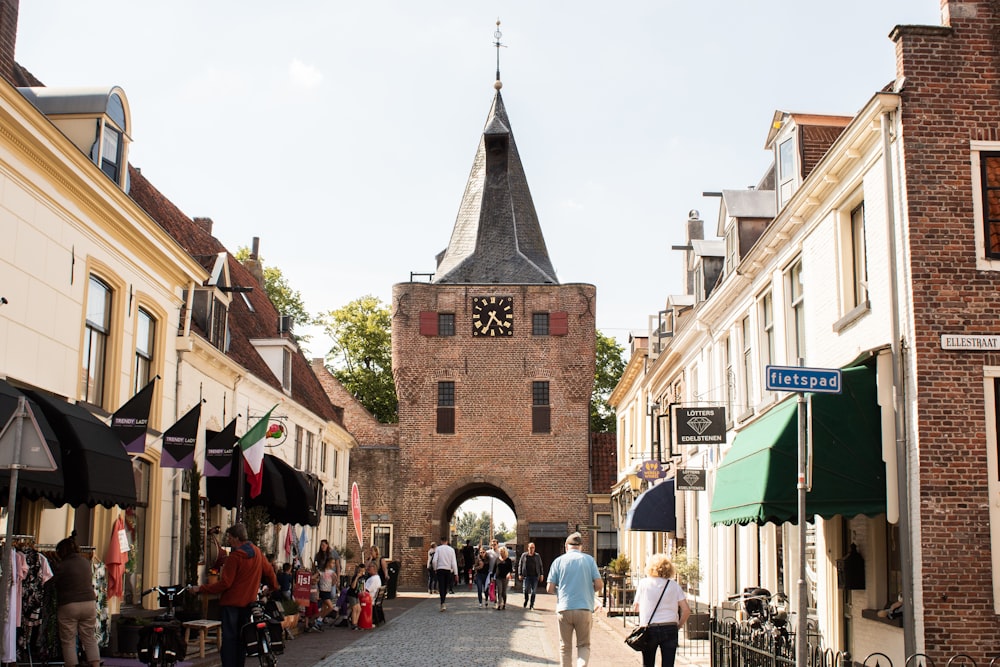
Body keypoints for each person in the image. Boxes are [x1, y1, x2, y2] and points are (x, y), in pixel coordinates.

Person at [192, 523, 278, 667]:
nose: (229, 541)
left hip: (231, 605)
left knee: (230, 641)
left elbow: (225, 583)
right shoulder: (257, 553)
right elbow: (269, 572)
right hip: (248, 604)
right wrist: (272, 588)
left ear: (237, 538)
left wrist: (201, 589)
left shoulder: (235, 557)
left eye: (230, 538)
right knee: (242, 639)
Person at [546, 532, 603, 667]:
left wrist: (560, 593)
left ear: (566, 547)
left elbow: (549, 588)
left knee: (565, 647)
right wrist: (588, 591)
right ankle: (581, 665)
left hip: (564, 608)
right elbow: (599, 584)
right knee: (583, 645)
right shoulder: (589, 560)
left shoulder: (558, 561)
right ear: (581, 547)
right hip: (584, 608)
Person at [631, 554, 691, 667]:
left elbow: (636, 607)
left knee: (648, 663)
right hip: (670, 627)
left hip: (649, 629)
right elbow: (686, 610)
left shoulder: (644, 583)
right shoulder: (674, 585)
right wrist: (679, 625)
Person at [52, 535, 99, 667]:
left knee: (68, 641)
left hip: (69, 605)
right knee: (89, 637)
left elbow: (54, 583)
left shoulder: (63, 565)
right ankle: (95, 664)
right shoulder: (85, 562)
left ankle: (72, 664)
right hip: (89, 603)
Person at [430, 535, 458, 611]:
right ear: (447, 541)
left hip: (440, 569)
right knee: (446, 586)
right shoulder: (451, 550)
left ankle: (442, 602)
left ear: (441, 541)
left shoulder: (438, 549)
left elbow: (434, 561)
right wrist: (456, 573)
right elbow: (454, 562)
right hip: (448, 570)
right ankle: (443, 600)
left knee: (441, 585)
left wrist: (435, 568)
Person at [518, 542, 545, 609]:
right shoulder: (524, 555)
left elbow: (540, 565)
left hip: (535, 576)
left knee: (533, 592)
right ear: (528, 548)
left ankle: (532, 604)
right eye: (530, 548)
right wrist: (520, 574)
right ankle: (526, 600)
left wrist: (541, 574)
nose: (531, 549)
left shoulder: (537, 556)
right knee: (526, 590)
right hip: (526, 576)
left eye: (533, 548)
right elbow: (520, 565)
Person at [317, 558, 338, 627]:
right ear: (328, 563)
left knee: (324, 608)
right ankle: (319, 620)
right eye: (332, 563)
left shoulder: (332, 572)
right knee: (331, 607)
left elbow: (333, 583)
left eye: (334, 563)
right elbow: (315, 577)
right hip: (323, 591)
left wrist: (335, 579)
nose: (333, 565)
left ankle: (315, 621)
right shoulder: (322, 571)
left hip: (328, 591)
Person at [347, 563, 367, 629]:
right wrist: (357, 577)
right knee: (354, 608)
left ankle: (356, 623)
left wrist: (363, 591)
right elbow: (353, 586)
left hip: (357, 594)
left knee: (359, 609)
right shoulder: (355, 577)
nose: (361, 572)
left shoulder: (363, 577)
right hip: (351, 594)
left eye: (362, 571)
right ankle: (353, 624)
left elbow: (363, 585)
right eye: (360, 571)